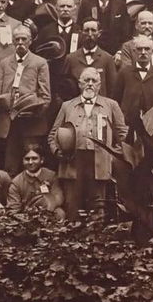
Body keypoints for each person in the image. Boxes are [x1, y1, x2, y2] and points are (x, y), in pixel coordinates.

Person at [48, 66, 128, 216]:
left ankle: (96, 228)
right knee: (73, 206)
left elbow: (123, 134)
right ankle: (72, 228)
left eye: (94, 81)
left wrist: (112, 155)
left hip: (99, 162)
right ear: (80, 84)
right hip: (73, 162)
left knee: (97, 206)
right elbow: (53, 134)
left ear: (99, 85)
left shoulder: (111, 105)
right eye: (86, 80)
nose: (90, 84)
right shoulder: (67, 106)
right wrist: (57, 151)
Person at [0, 24, 51, 171]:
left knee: (32, 162)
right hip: (9, 122)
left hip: (31, 122)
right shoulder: (5, 63)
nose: (20, 43)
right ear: (12, 41)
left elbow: (45, 96)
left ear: (30, 41)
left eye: (23, 39)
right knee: (9, 165)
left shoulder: (40, 63)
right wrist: (4, 103)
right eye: (17, 39)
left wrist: (33, 111)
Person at [7, 145, 64, 217]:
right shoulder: (17, 182)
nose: (30, 162)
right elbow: (13, 208)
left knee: (60, 213)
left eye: (34, 158)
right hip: (26, 216)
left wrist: (47, 205)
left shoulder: (51, 176)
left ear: (42, 160)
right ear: (22, 161)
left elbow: (58, 198)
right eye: (27, 159)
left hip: (48, 212)